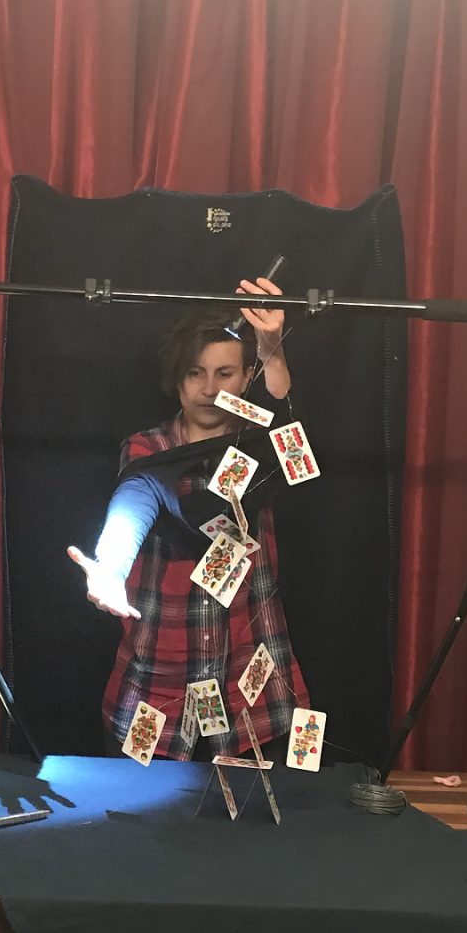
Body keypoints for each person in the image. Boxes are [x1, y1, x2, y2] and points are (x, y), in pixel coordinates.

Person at [68, 276, 306, 762]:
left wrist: (271, 348)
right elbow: (136, 497)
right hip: (159, 679)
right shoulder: (147, 447)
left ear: (247, 378)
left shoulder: (262, 443)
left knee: (261, 806)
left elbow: (287, 418)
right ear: (178, 380)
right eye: (196, 373)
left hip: (249, 678)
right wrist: (110, 568)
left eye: (225, 373)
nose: (209, 388)